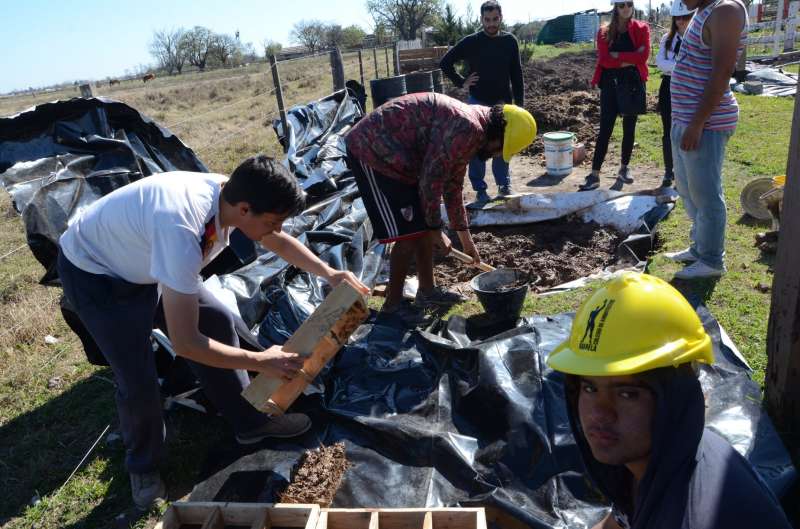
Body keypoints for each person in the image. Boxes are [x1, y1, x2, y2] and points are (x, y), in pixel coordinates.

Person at [57, 155, 369, 510]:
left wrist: (330, 273)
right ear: (245, 209)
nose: (276, 229)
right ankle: (143, 466)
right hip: (97, 275)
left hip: (142, 256)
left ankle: (249, 422)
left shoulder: (229, 196)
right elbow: (185, 343)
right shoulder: (181, 231)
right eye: (272, 221)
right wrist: (259, 359)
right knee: (138, 379)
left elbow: (277, 241)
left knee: (217, 320)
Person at [546, 272, 793, 529]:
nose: (599, 413)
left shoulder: (691, 515)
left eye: (627, 394)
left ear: (677, 398)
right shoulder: (661, 455)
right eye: (589, 388)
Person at [344, 92, 536, 321]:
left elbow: (453, 186)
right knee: (407, 234)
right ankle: (392, 305)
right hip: (373, 151)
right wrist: (436, 230)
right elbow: (431, 181)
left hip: (404, 160)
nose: (495, 155)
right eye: (499, 150)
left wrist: (466, 241)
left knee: (421, 225)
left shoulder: (474, 129)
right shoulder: (467, 128)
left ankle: (427, 292)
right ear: (499, 136)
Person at [665, 0, 748, 279]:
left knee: (706, 195)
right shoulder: (703, 10)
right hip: (686, 119)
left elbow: (723, 72)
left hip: (705, 123)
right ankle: (700, 248)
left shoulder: (726, 11)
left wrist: (697, 123)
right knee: (689, 191)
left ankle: (712, 260)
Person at [439, 0, 524, 204]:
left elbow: (517, 74)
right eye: (487, 20)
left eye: (495, 19)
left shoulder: (510, 41)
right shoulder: (472, 41)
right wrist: (462, 82)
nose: (491, 24)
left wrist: (520, 105)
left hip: (503, 104)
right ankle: (480, 189)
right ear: (481, 19)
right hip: (477, 103)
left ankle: (504, 185)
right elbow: (445, 63)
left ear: (501, 18)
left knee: (503, 145)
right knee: (477, 144)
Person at [581, 0, 650, 191]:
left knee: (629, 128)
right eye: (622, 5)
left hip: (632, 84)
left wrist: (617, 55)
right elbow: (604, 60)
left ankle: (624, 169)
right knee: (605, 128)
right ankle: (594, 174)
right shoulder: (604, 31)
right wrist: (630, 58)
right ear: (616, 8)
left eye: (629, 4)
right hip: (610, 84)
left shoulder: (642, 28)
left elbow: (643, 58)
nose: (626, 8)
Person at [656, 0, 695, 188]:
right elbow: (660, 63)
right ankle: (668, 170)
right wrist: (680, 67)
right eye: (677, 17)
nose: (681, 21)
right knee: (668, 131)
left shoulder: (697, 37)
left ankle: (685, 172)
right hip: (668, 87)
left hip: (689, 89)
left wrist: (674, 68)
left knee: (686, 130)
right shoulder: (667, 38)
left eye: (685, 17)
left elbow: (694, 67)